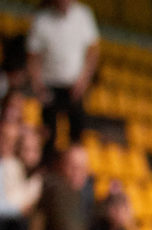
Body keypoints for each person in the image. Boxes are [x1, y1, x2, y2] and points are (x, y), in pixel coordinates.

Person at [25, 0, 99, 165]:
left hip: (75, 86)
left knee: (76, 135)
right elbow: (33, 55)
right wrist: (37, 85)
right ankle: (47, 168)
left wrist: (83, 80)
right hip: (49, 85)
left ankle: (72, 169)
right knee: (48, 134)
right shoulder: (42, 19)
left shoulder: (83, 15)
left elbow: (93, 51)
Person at [0, 116, 42, 230]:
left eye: (35, 150)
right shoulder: (7, 166)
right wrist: (20, 209)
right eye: (26, 150)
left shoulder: (36, 179)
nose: (30, 155)